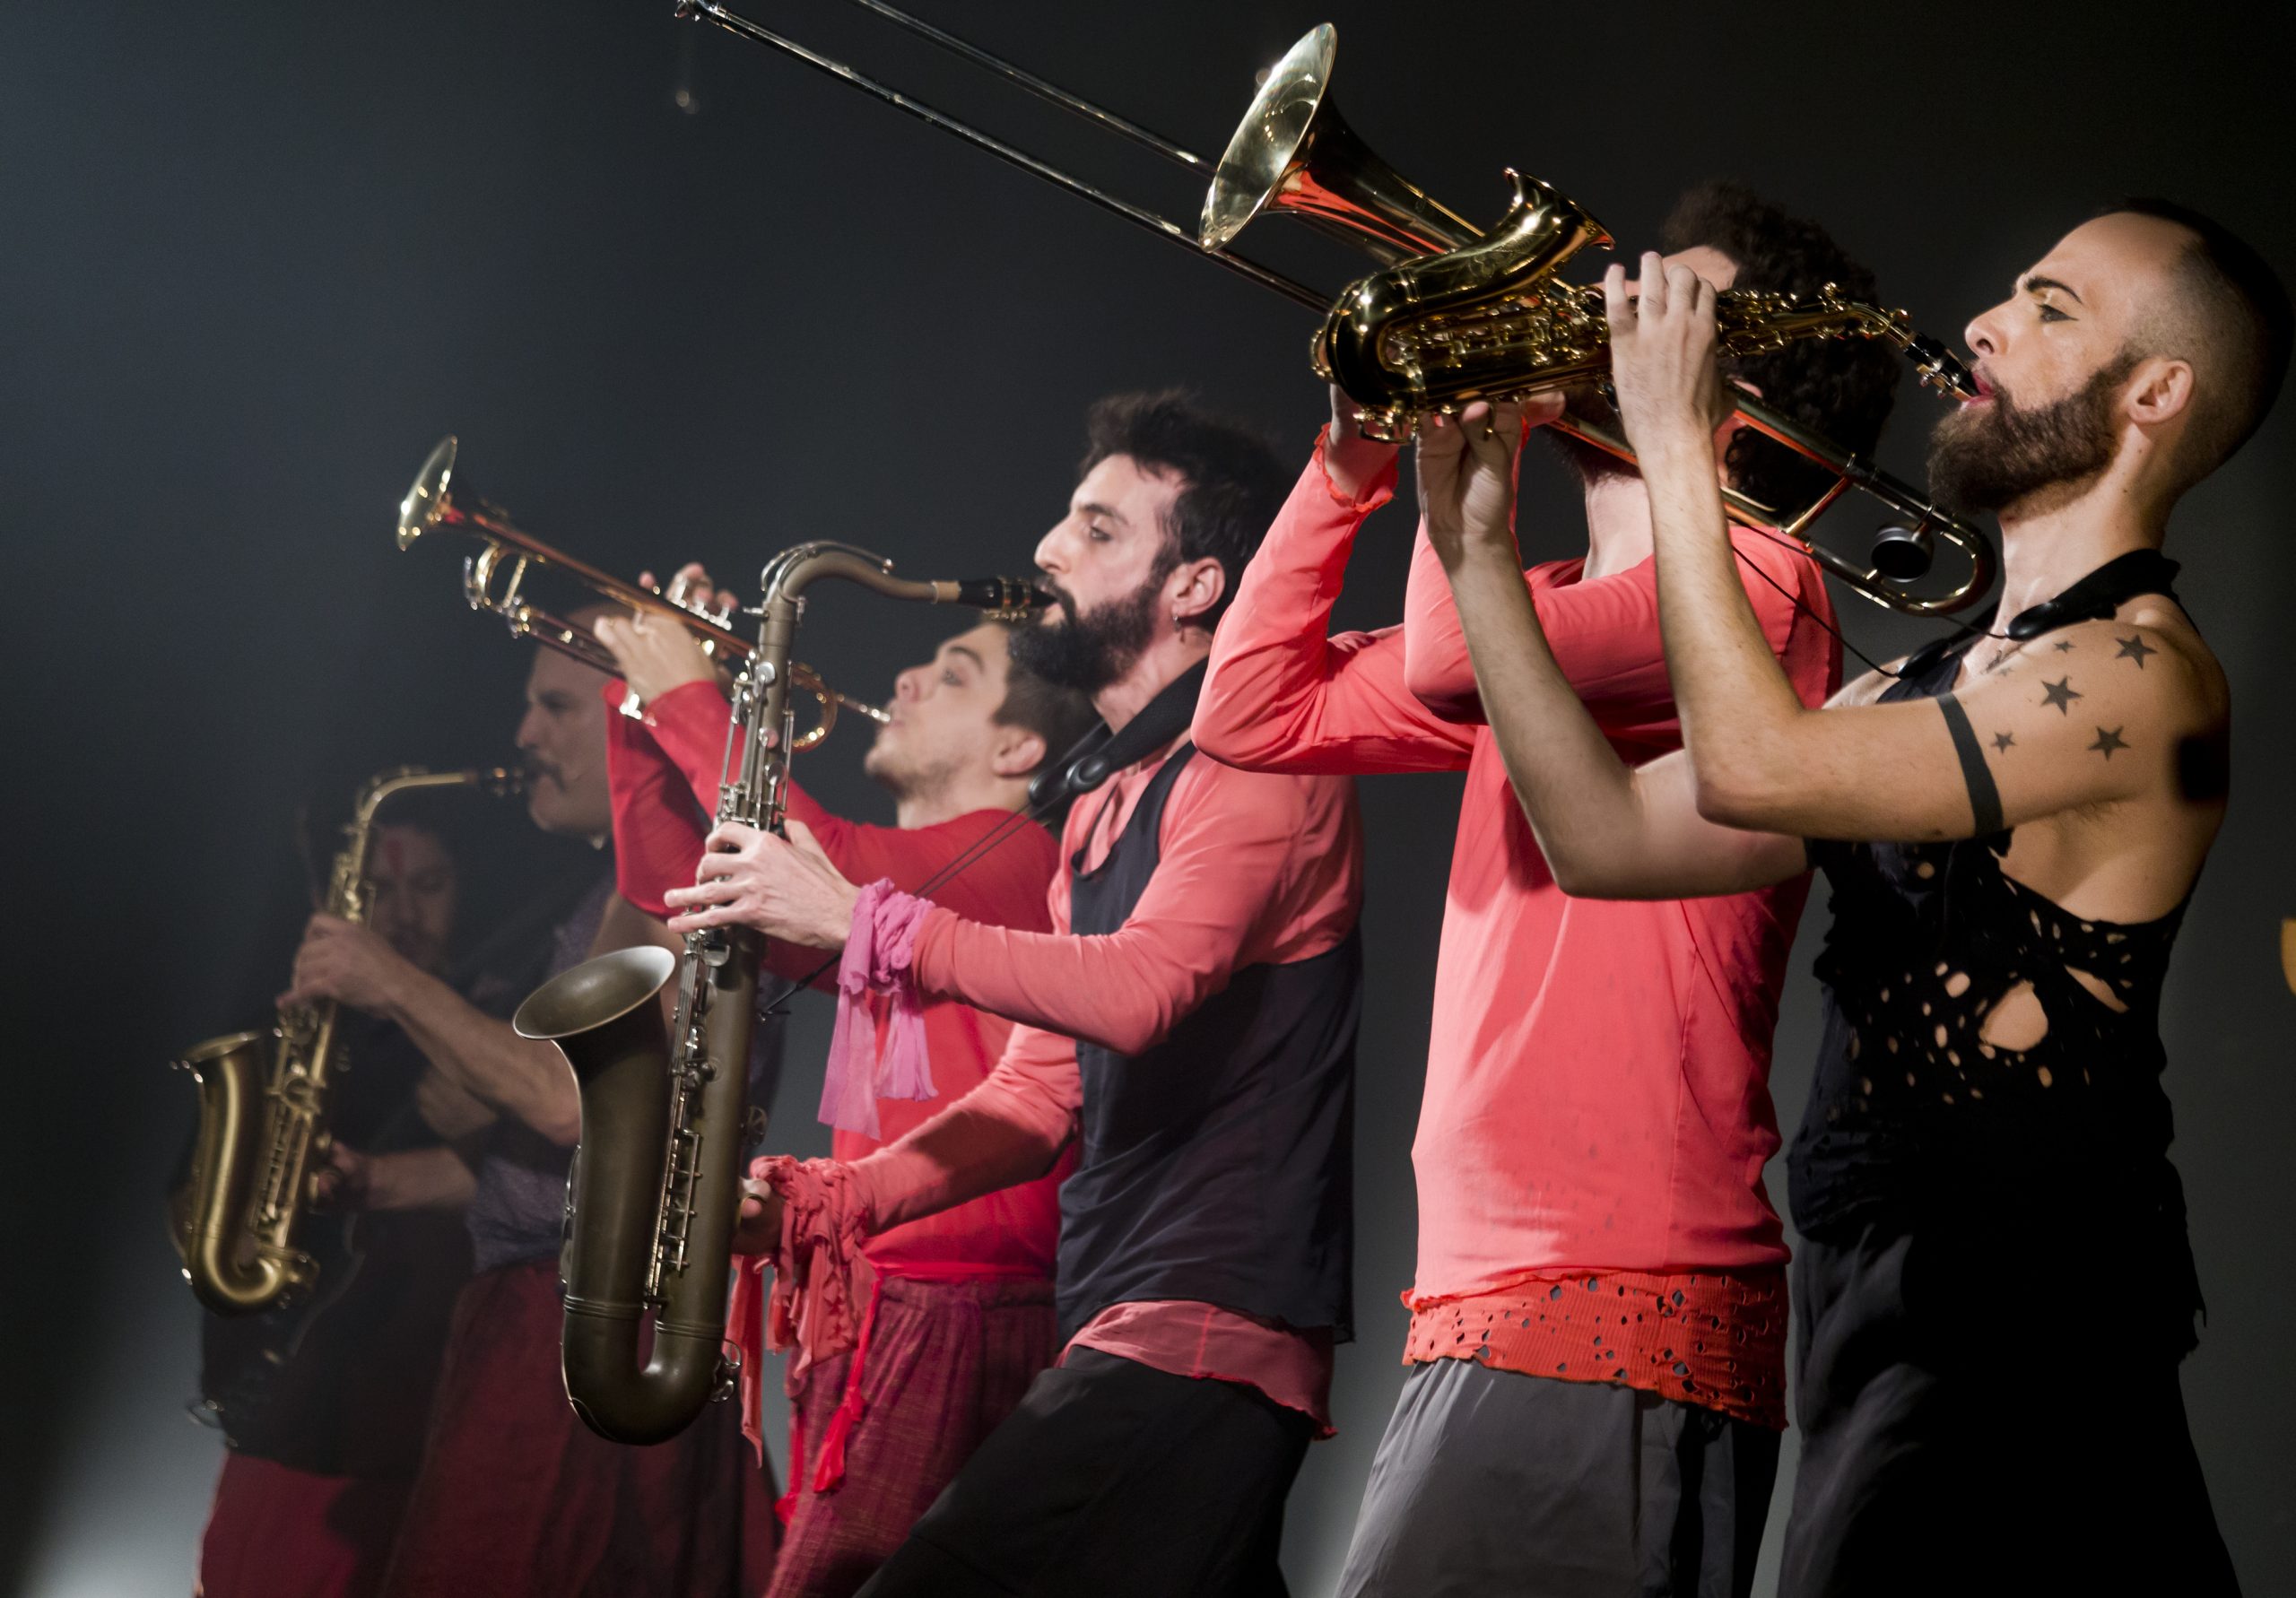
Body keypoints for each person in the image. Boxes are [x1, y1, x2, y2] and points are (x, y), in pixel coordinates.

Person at [1422, 200, 2285, 1594]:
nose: (1989, 326)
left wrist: (1677, 449)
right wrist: (1473, 556)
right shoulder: (1917, 683)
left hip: (2023, 1348)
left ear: (2158, 393)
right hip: (1867, 1327)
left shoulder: (2145, 676)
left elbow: (1761, 763)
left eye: (2052, 309)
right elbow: (1601, 841)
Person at [1193, 182, 1895, 1596]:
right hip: (1491, 1295)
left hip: (1624, 1286)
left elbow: (1456, 661)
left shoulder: (1767, 583)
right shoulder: (1535, 603)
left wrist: (1481, 462)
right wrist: (1348, 463)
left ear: (1722, 374)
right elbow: (1255, 709)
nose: (1594, 318)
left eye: (1652, 304)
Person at [663, 393, 1361, 1597]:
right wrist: (824, 1197)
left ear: (1194, 585)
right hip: (1133, 1322)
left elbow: (1143, 991)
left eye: (1096, 528)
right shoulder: (1100, 804)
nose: (1047, 547)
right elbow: (1040, 1096)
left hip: (1203, 1336)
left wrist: (860, 919)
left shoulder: (1256, 762)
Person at [592, 569, 1094, 1598]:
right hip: (880, 1293)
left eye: (954, 675)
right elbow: (671, 885)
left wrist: (694, 695)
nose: (906, 677)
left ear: (1017, 749)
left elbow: (832, 856)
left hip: (956, 1301)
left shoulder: (1019, 857)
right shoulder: (881, 880)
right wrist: (636, 701)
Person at [285, 621, 778, 1598]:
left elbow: (565, 1105)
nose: (522, 733)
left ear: (632, 722)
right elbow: (562, 1166)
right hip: (537, 1320)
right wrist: (381, 1179)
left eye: (554, 707)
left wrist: (389, 981)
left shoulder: (674, 873)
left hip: (585, 1330)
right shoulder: (614, 882)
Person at [193, 810, 476, 1598]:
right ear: (340, 898)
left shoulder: (486, 1031)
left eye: (430, 886)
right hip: (279, 1415)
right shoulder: (284, 1035)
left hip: (410, 1421)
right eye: (382, 892)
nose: (407, 916)